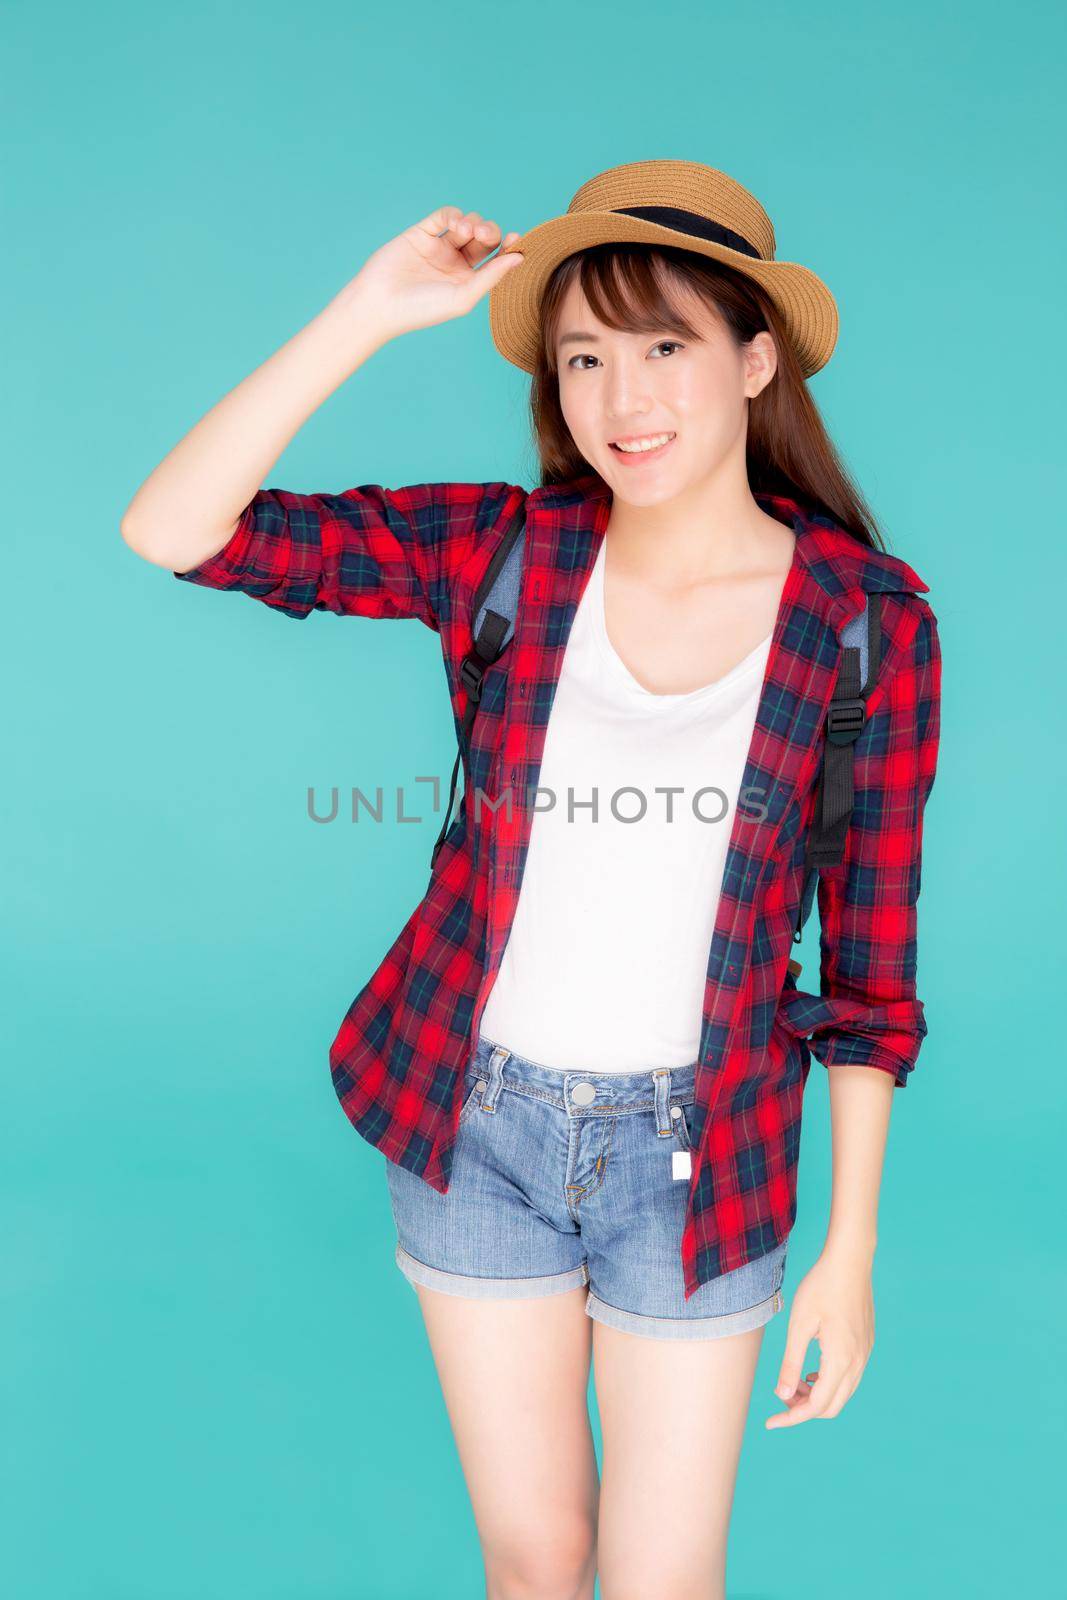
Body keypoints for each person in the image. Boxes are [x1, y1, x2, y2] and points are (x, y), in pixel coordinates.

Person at [121, 159, 942, 1600]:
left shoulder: (863, 623)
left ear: (757, 362)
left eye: (666, 347)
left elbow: (869, 974)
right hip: (479, 1120)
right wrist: (369, 311)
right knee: (532, 1556)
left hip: (701, 1153)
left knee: (661, 1576)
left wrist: (850, 1251)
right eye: (583, 357)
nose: (622, 397)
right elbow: (175, 530)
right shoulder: (511, 549)